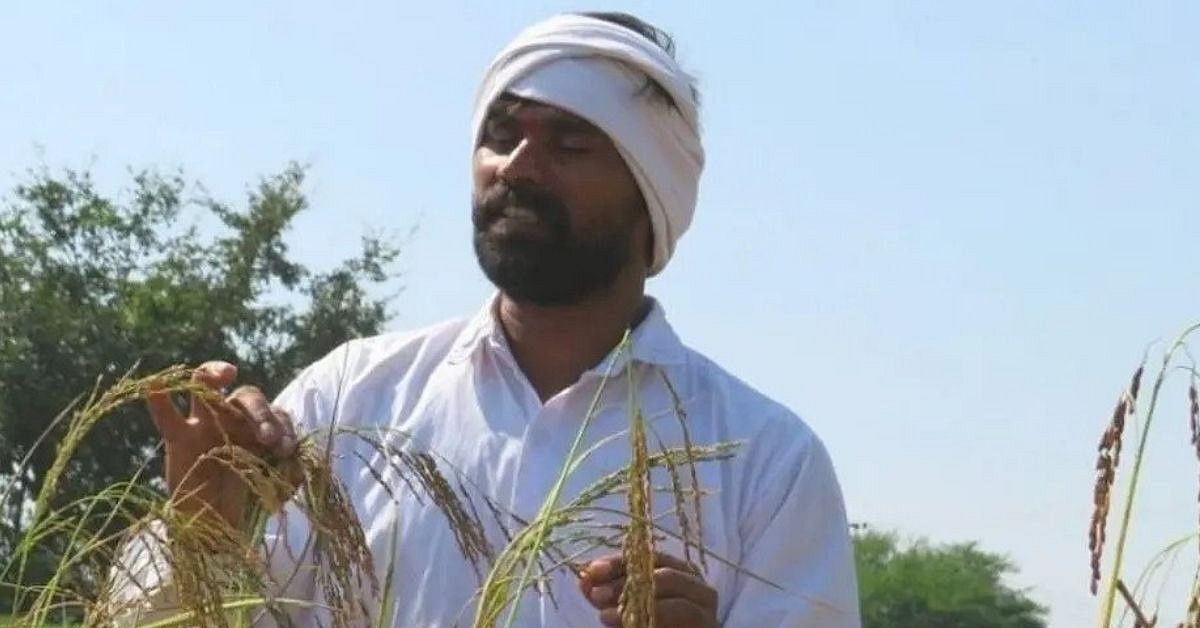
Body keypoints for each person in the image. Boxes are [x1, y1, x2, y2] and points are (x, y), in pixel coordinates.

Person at [116, 11, 861, 628]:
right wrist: (202, 528)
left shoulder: (764, 462)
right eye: (501, 135)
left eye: (571, 143)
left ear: (653, 196)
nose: (519, 165)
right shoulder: (350, 402)